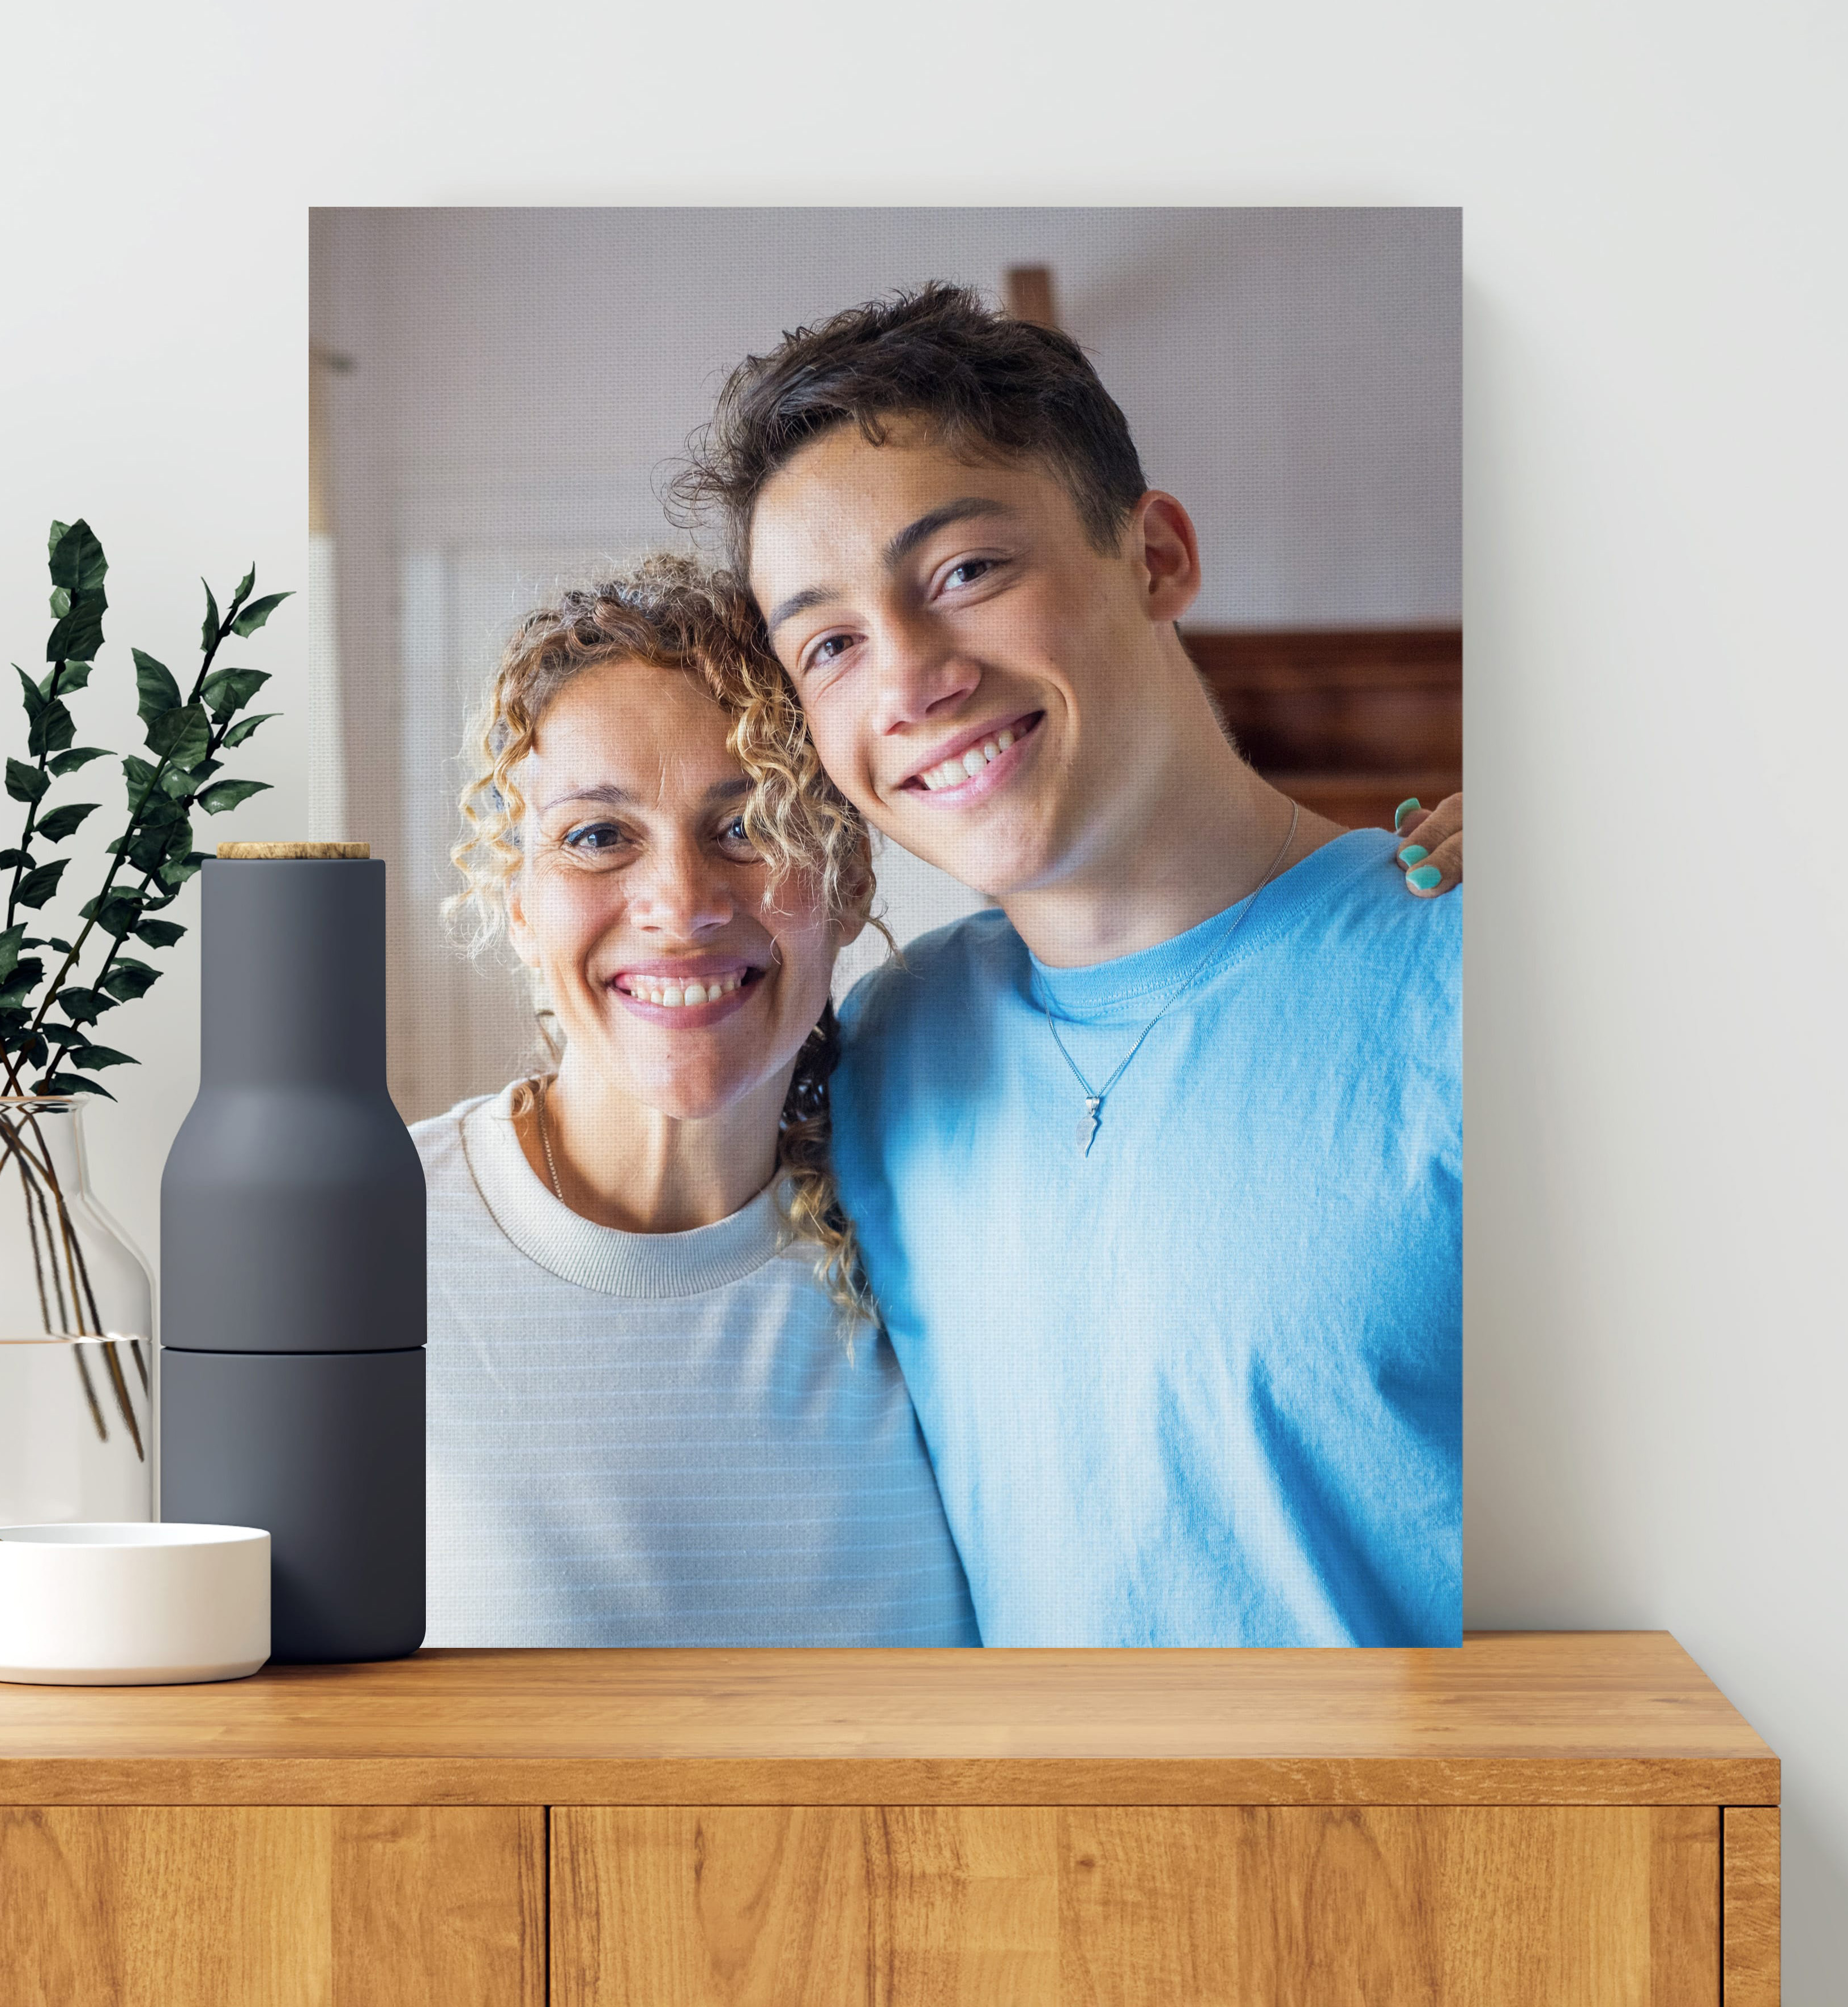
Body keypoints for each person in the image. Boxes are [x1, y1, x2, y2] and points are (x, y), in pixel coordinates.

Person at [678, 282, 1463, 1646]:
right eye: (831, 643)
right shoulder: (885, 1051)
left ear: (1155, 556)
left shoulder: (1476, 977)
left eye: (966, 571)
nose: (910, 676)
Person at [416, 553, 976, 1647]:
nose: (680, 903)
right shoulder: (357, 1241)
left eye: (750, 824)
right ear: (519, 903)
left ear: (851, 878)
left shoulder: (948, 1220)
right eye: (597, 836)